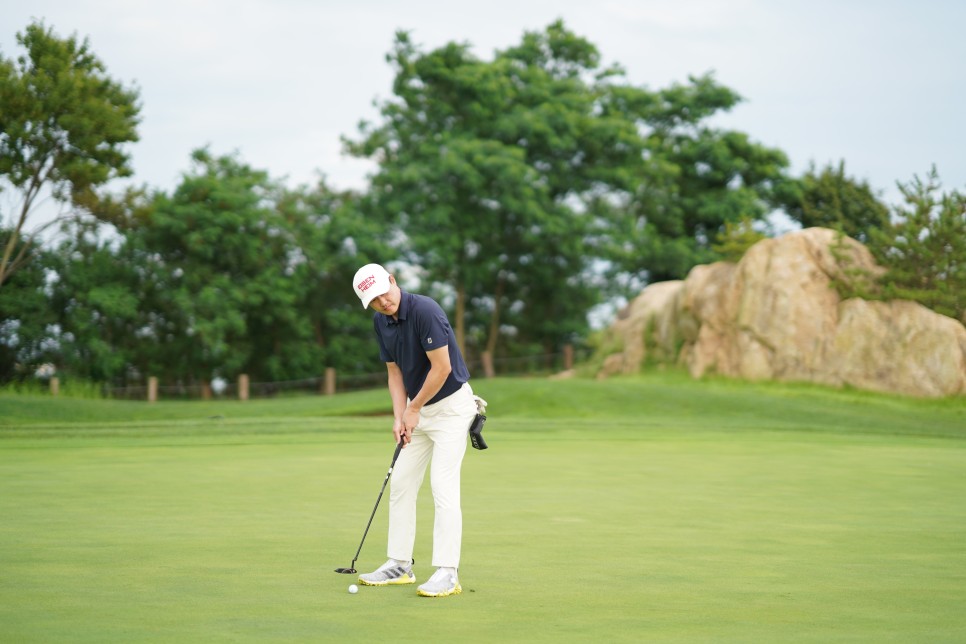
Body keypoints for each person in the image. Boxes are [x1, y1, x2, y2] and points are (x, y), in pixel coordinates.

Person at [351, 262, 482, 598]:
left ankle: (447, 572)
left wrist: (412, 408)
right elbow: (394, 374)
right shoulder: (381, 322)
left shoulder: (425, 310)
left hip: (451, 409)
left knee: (443, 486)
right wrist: (400, 417)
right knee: (402, 483)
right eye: (374, 300)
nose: (382, 301)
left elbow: (442, 368)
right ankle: (399, 564)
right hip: (417, 412)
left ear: (393, 281)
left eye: (383, 292)